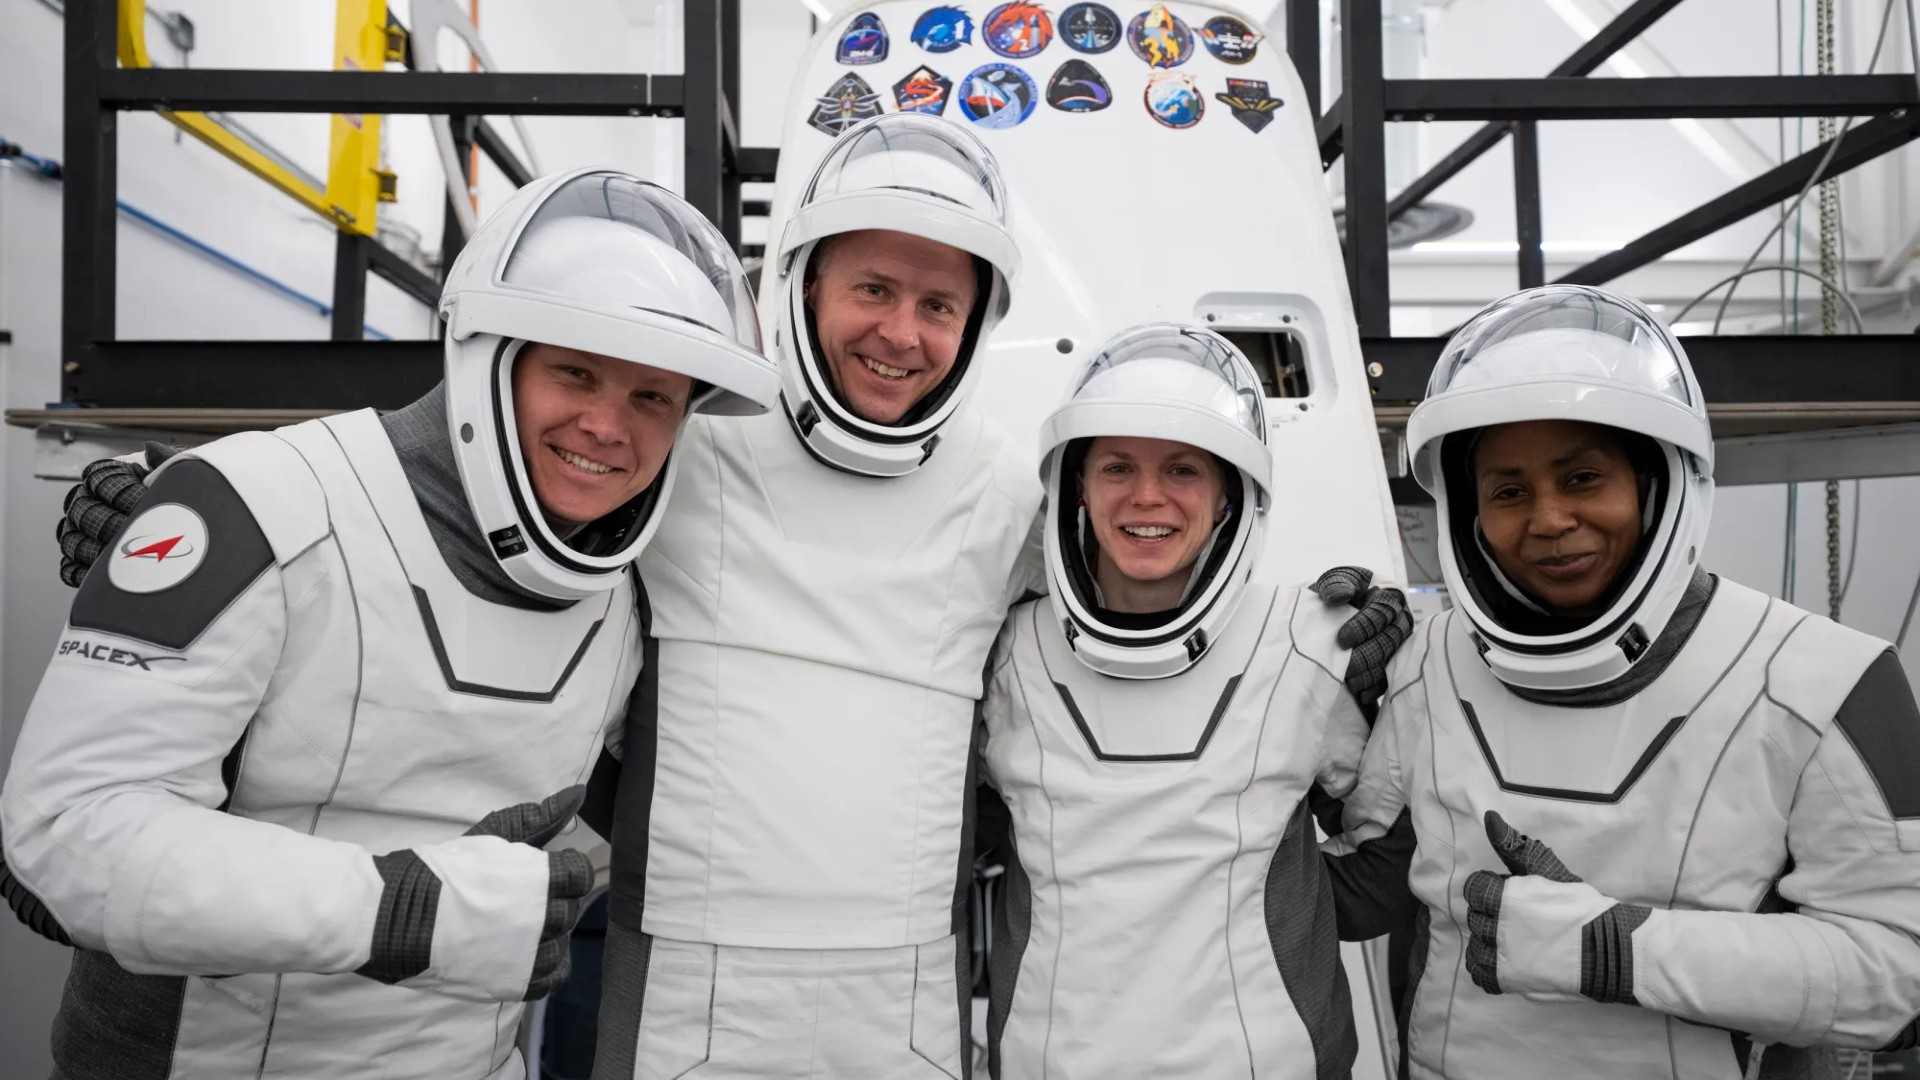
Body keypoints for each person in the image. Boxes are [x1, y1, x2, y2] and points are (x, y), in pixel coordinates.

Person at [38, 115, 1412, 1079]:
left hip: (905, 994)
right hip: (672, 983)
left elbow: (1146, 581)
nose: (900, 330)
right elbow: (462, 481)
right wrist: (185, 502)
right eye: (874, 284)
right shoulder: (673, 451)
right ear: (800, 284)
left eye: (940, 305)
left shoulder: (1009, 497)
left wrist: (1333, 627)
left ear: (975, 328)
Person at [0, 168, 779, 1080]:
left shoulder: (631, 595)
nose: (608, 425)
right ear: (489, 356)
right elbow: (67, 836)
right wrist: (403, 911)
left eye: (653, 397)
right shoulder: (260, 509)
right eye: (575, 370)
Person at [1328, 284, 1920, 1079]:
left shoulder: (1828, 682)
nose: (1546, 519)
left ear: (1657, 481)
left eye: (1581, 479)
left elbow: (1901, 978)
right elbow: (1368, 894)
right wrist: (1305, 729)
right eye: (1507, 492)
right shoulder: (1428, 664)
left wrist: (1615, 949)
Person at [979, 323, 1397, 1079]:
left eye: (1182, 469)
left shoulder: (1306, 639)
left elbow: (1386, 874)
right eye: (1116, 467)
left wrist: (1391, 686)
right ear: (1077, 483)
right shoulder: (1009, 655)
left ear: (1229, 491)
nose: (1147, 497)